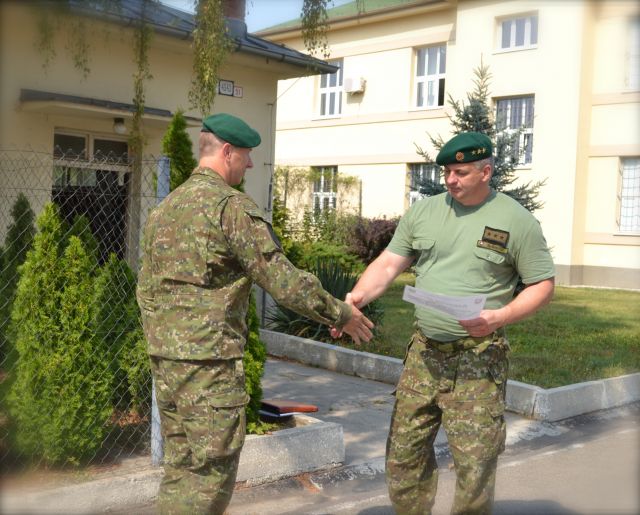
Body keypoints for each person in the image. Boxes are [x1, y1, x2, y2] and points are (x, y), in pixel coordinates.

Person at [136, 113, 374, 514]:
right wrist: (341, 314)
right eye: (246, 155)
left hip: (168, 363)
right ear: (227, 151)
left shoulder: (167, 208)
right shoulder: (230, 208)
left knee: (181, 470)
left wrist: (164, 341)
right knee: (210, 476)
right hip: (209, 365)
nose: (249, 165)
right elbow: (284, 282)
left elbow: (146, 288)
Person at [338, 132, 555, 514]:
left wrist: (500, 316)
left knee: (475, 464)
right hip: (424, 356)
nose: (450, 180)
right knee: (404, 457)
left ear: (485, 171)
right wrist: (357, 297)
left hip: (478, 359)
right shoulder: (424, 213)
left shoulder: (516, 221)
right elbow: (388, 264)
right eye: (447, 172)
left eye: (460, 172)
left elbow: (542, 285)